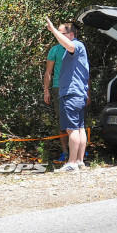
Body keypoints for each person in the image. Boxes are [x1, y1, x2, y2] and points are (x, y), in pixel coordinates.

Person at [45, 18, 90, 172]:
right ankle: (79, 161)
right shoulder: (79, 47)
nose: (58, 36)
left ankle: (71, 163)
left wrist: (53, 29)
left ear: (70, 34)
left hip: (71, 93)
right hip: (78, 94)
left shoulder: (75, 45)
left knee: (72, 129)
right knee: (80, 128)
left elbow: (69, 45)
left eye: (62, 33)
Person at [44, 43, 69, 162]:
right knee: (62, 121)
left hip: (75, 88)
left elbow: (85, 70)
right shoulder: (55, 50)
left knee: (78, 120)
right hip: (58, 88)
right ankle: (65, 152)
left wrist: (87, 92)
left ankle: (80, 151)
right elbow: (48, 71)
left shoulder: (77, 47)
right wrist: (46, 91)